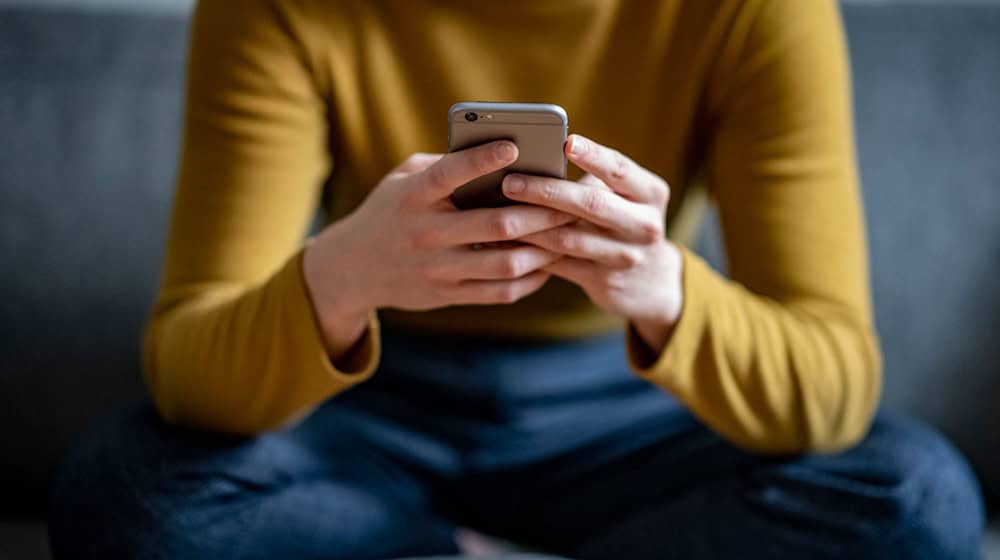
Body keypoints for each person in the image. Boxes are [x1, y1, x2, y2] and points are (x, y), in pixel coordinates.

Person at [49, 0, 984, 558]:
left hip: (631, 407)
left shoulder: (753, 12)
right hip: (369, 405)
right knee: (119, 494)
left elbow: (834, 386)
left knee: (919, 499)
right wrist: (341, 276)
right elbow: (187, 365)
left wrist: (664, 291)